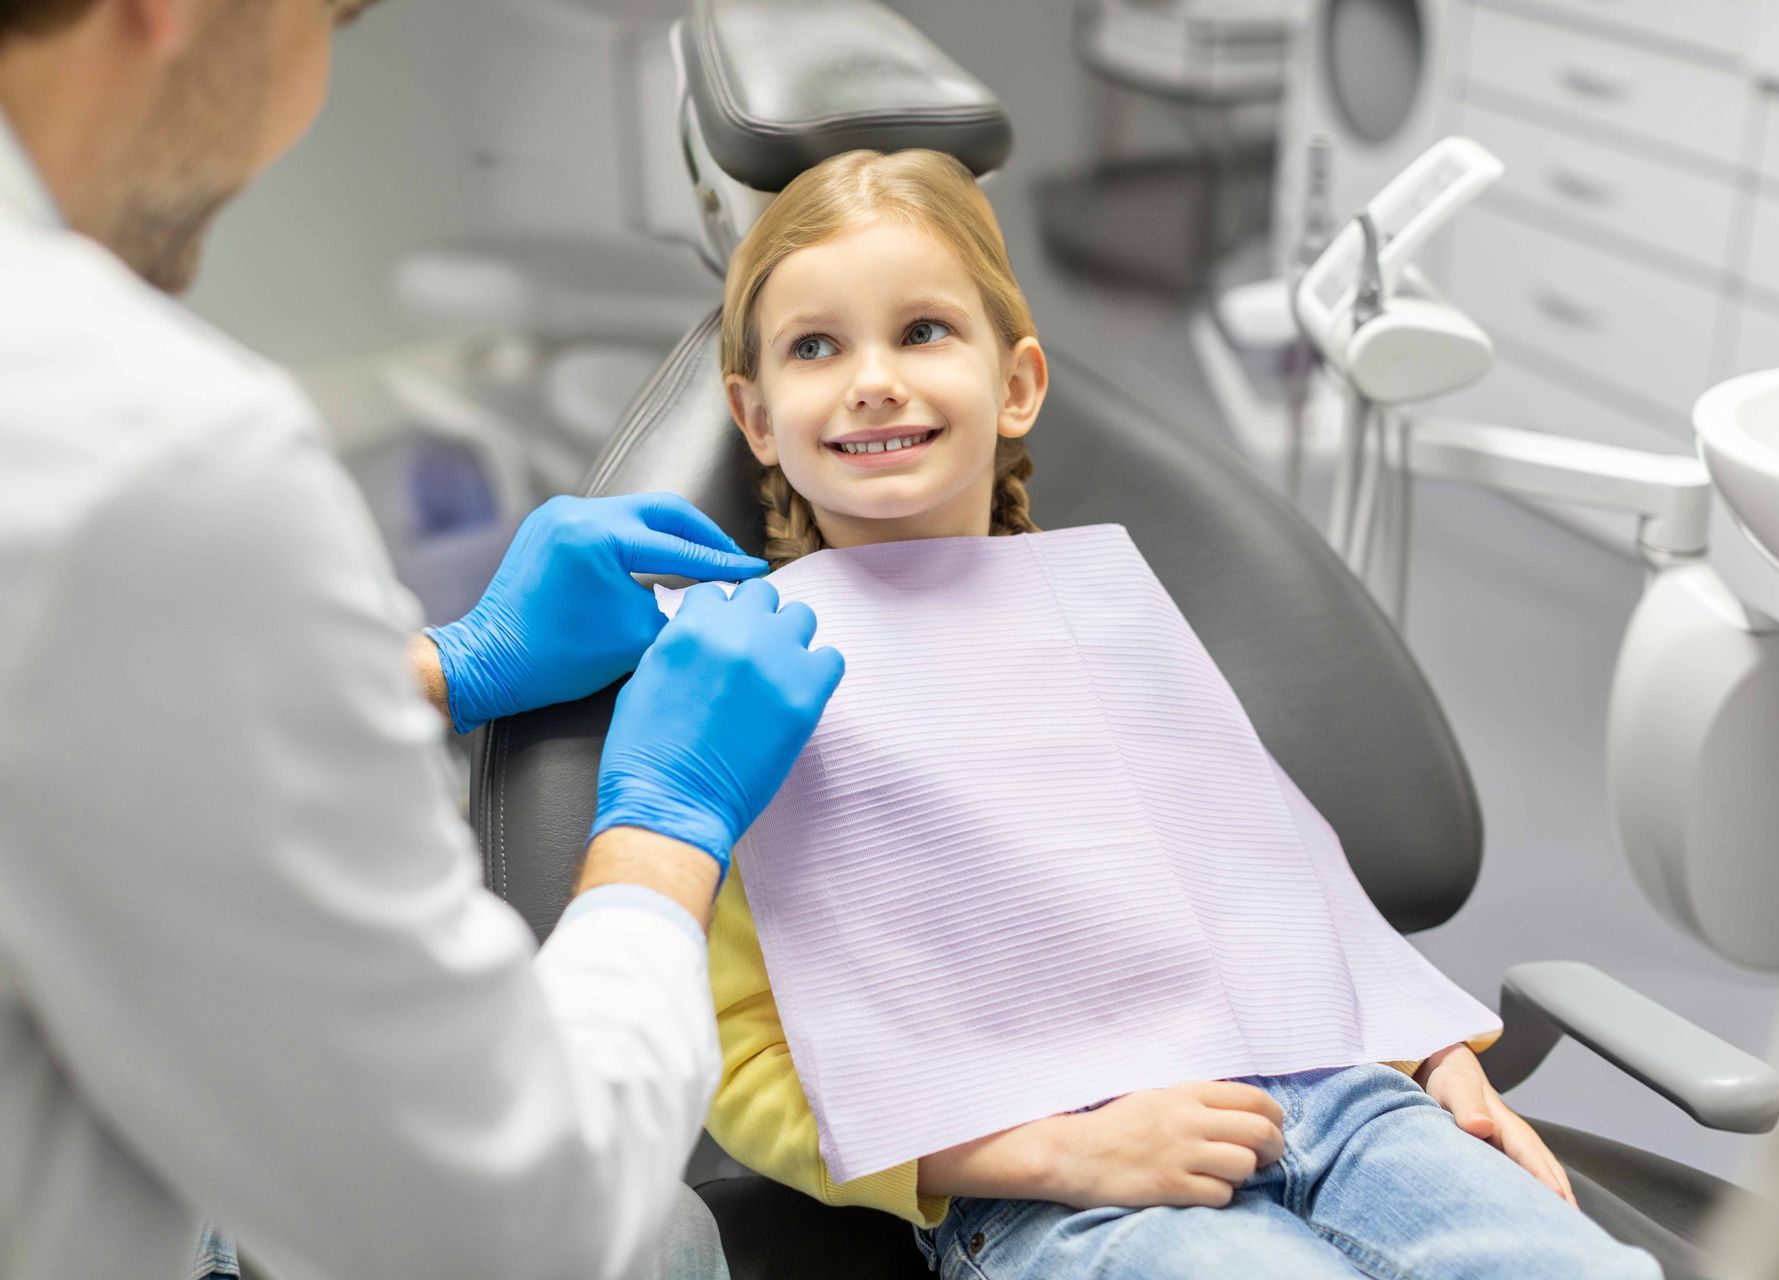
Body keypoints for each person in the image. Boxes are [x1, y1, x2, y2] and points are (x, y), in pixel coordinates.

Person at [699, 148, 1660, 1279]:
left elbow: (1281, 893)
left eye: (922, 331)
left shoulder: (1104, 614)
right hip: (1066, 1181)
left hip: (1341, 1097)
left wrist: (1433, 1057)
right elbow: (745, 1062)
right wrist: (1064, 1152)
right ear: (754, 415)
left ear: (1016, 384)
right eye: (816, 347)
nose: (872, 379)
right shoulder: (748, 674)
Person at [0, 2, 843, 1278]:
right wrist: (667, 825)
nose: (301, 105)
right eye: (326, 22)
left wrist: (445, 664)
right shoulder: (147, 451)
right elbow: (520, 1224)